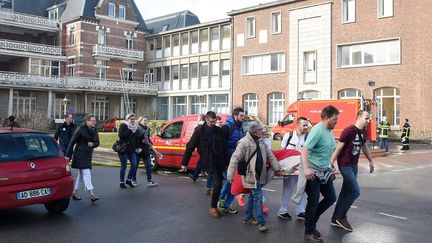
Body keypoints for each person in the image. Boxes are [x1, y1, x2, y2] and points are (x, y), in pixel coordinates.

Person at [227, 121, 283, 232]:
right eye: (260, 129)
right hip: (249, 175)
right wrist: (230, 175)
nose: (263, 131)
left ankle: (247, 217)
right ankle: (261, 222)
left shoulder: (261, 141)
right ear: (255, 131)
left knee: (253, 197)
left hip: (260, 174)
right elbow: (234, 159)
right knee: (257, 196)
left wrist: (277, 169)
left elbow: (270, 156)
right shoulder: (243, 143)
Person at [330, 111, 375, 232]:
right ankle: (341, 216)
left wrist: (371, 161)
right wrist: (331, 162)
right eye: (366, 118)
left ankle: (335, 219)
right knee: (355, 191)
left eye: (369, 118)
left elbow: (364, 146)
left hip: (354, 165)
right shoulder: (348, 130)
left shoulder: (363, 132)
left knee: (345, 192)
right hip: (345, 165)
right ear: (359, 118)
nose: (368, 120)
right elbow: (338, 148)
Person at [301, 105, 339, 242]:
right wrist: (306, 169)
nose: (336, 122)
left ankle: (311, 222)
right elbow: (304, 149)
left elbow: (327, 149)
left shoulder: (329, 130)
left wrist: (331, 165)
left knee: (331, 198)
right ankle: (308, 232)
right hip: (313, 173)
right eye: (334, 119)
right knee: (313, 202)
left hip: (325, 172)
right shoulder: (317, 130)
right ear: (326, 118)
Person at [181, 111, 228, 218]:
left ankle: (215, 205)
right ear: (206, 120)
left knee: (219, 184)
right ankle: (213, 208)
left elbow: (224, 148)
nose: (213, 123)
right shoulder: (199, 131)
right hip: (208, 162)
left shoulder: (219, 131)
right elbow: (190, 147)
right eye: (211, 121)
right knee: (218, 184)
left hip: (219, 161)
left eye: (214, 121)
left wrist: (227, 162)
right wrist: (184, 163)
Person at [277, 117, 308, 221]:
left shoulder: (308, 137)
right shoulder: (288, 136)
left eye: (307, 125)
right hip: (289, 169)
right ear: (298, 125)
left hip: (302, 168)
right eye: (304, 125)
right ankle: (283, 211)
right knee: (287, 190)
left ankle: (300, 211)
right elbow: (282, 152)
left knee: (302, 190)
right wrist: (280, 168)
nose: (306, 127)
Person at [218, 107, 247, 214]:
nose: (243, 117)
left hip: (237, 160)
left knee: (234, 183)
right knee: (230, 181)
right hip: (227, 160)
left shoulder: (241, 127)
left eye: (243, 115)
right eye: (241, 116)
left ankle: (226, 204)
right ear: (235, 116)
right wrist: (224, 162)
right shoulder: (227, 127)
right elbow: (220, 145)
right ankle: (220, 201)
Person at [65, 114, 99, 202]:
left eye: (95, 121)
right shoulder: (80, 129)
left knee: (81, 176)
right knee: (86, 173)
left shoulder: (94, 130)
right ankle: (92, 194)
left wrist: (93, 144)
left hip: (88, 155)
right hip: (79, 155)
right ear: (87, 121)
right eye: (92, 121)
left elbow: (97, 142)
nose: (94, 122)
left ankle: (74, 192)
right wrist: (68, 156)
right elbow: (71, 143)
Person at [117, 113, 140, 189]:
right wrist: (130, 130)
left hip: (132, 149)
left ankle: (129, 180)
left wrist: (138, 147)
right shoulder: (123, 125)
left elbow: (136, 139)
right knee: (124, 166)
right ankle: (121, 182)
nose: (133, 121)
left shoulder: (135, 127)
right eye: (131, 119)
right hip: (123, 149)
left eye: (134, 119)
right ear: (127, 119)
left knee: (134, 164)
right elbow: (121, 136)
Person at [135, 116, 157, 187]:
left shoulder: (147, 128)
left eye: (146, 120)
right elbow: (135, 139)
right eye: (144, 120)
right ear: (140, 121)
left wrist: (150, 143)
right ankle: (133, 179)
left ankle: (150, 180)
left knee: (148, 164)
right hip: (139, 149)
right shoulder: (137, 128)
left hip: (146, 149)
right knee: (135, 165)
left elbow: (147, 138)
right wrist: (141, 142)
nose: (145, 122)